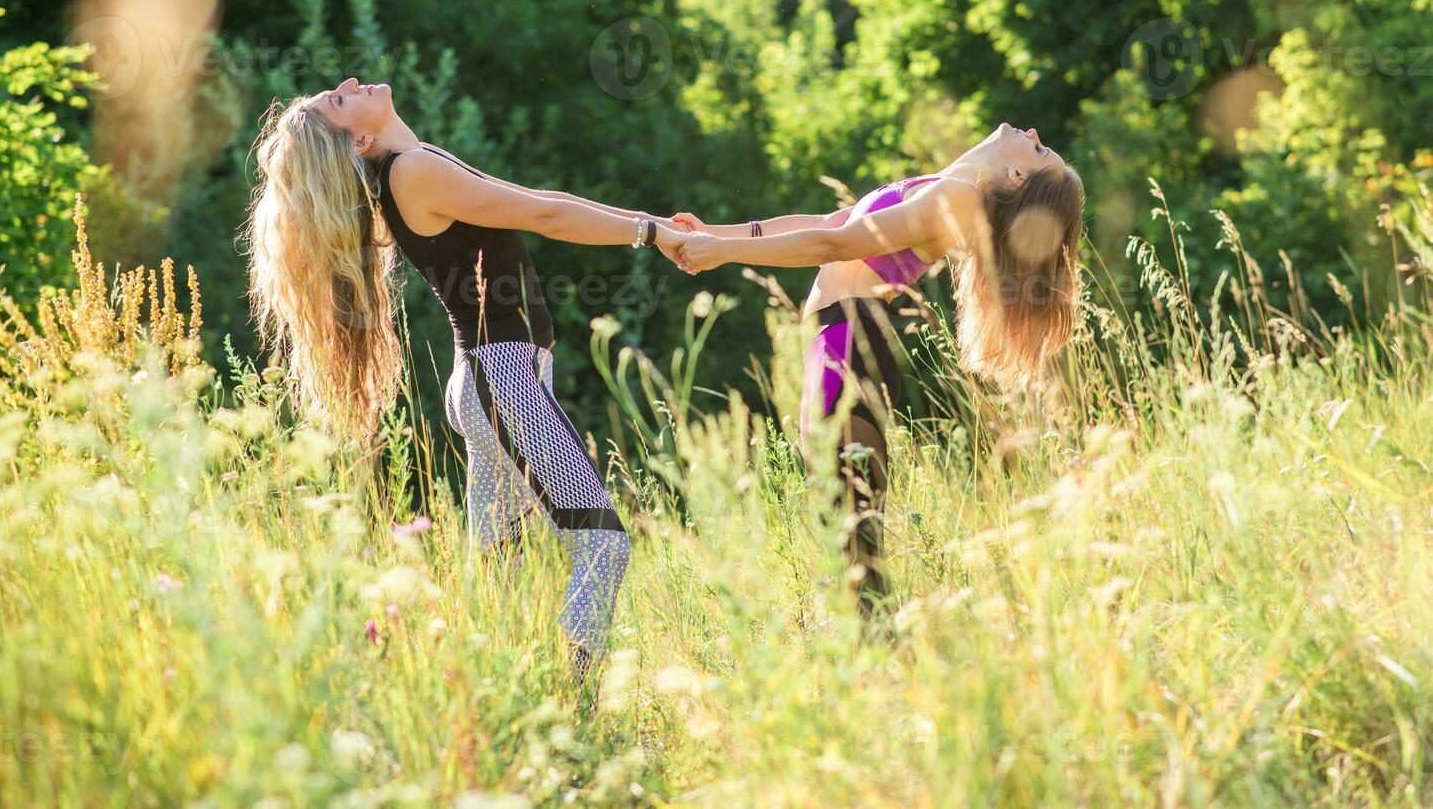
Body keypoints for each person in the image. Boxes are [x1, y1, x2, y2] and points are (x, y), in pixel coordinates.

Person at [243, 77, 690, 679]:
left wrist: (655, 223)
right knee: (603, 541)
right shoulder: (412, 173)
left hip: (495, 383)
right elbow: (546, 215)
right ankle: (572, 694)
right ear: (364, 138)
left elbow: (539, 201)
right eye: (341, 100)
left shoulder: (412, 167)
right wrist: (655, 234)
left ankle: (496, 701)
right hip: (503, 381)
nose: (348, 83)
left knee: (500, 577)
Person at [673, 123, 1084, 619]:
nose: (1034, 132)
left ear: (1018, 175)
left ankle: (890, 673)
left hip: (848, 344)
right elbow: (829, 221)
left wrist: (724, 254)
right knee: (850, 548)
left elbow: (834, 246)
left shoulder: (956, 200)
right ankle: (886, 670)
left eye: (1039, 149)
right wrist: (716, 235)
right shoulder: (943, 187)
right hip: (841, 342)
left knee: (852, 554)